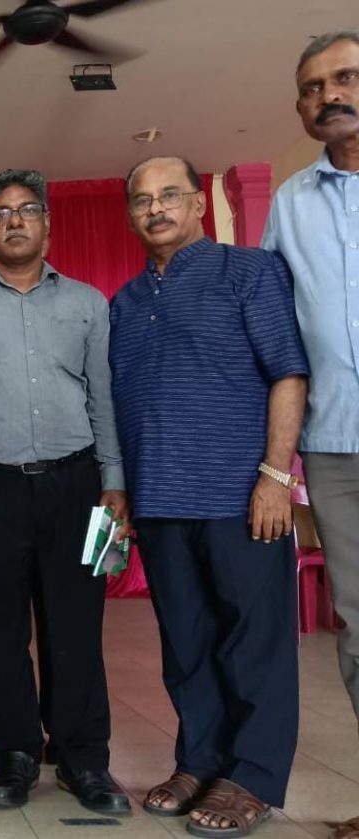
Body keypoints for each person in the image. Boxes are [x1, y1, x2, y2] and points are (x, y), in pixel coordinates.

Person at [0, 168, 130, 815]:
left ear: (47, 224)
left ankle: (83, 758)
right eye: (1, 213)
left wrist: (114, 483)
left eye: (27, 210)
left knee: (76, 627)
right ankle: (14, 753)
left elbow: (104, 401)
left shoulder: (88, 304)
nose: (15, 221)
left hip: (78, 486)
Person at [111, 156, 309, 837]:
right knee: (187, 644)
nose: (156, 208)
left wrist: (276, 476)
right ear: (131, 215)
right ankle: (199, 761)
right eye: (142, 200)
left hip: (240, 496)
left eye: (170, 195)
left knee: (254, 642)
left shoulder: (249, 272)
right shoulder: (125, 302)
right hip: (160, 503)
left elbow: (288, 373)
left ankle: (252, 776)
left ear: (198, 204)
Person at [261, 31, 359, 839]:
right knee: (358, 629)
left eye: (346, 77)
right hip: (335, 445)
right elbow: (271, 330)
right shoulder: (289, 203)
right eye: (313, 87)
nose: (329, 95)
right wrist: (269, 461)